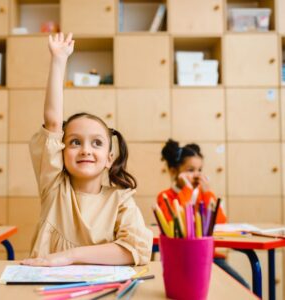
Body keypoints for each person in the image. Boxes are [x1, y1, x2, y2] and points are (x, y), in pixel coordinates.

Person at [21, 32, 152, 267]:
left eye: (97, 143)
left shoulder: (121, 200)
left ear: (109, 159)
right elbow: (52, 123)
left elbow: (135, 250)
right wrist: (59, 60)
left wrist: (70, 256)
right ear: (60, 152)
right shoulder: (54, 187)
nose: (85, 150)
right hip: (46, 287)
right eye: (74, 142)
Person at [157, 139, 250, 289]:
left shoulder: (202, 194)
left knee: (243, 287)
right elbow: (173, 224)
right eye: (190, 170)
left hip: (208, 258)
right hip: (182, 260)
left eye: (199, 170)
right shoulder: (165, 196)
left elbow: (219, 223)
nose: (197, 175)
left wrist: (207, 193)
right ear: (174, 171)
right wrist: (186, 190)